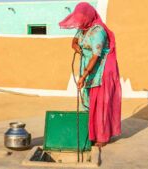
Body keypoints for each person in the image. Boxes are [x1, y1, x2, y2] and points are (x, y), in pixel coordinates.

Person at [59, 2, 122, 147]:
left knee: (100, 104)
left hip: (101, 70)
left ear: (89, 16)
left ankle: (102, 136)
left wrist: (83, 76)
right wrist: (76, 47)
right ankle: (90, 133)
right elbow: (74, 41)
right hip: (88, 69)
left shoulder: (98, 31)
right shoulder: (83, 29)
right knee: (87, 102)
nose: (80, 22)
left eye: (82, 18)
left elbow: (95, 55)